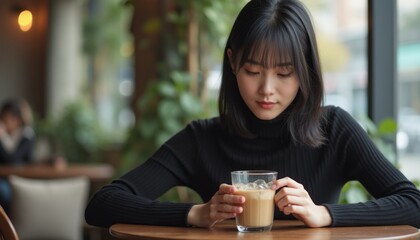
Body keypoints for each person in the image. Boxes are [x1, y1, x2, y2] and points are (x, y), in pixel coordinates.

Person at [85, 0, 420, 228]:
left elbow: (413, 203)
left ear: (305, 71)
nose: (267, 89)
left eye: (285, 73)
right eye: (252, 70)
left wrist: (325, 214)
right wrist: (195, 213)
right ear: (232, 62)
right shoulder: (202, 139)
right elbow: (103, 204)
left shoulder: (333, 129)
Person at [0, 98, 36, 212]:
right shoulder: (8, 135)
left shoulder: (26, 135)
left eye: (6, 118)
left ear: (17, 119)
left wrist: (2, 137)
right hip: (5, 178)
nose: (3, 122)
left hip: (21, 181)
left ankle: (7, 228)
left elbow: (12, 159)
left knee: (3, 192)